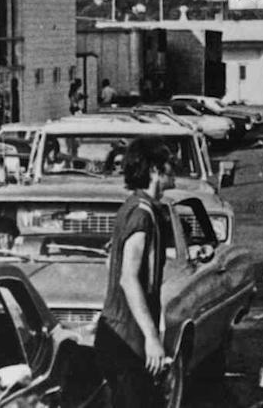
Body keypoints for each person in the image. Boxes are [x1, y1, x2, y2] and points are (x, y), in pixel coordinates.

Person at [95, 136, 174, 407]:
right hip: (126, 338)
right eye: (168, 164)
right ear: (154, 170)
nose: (172, 170)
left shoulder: (133, 206)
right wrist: (152, 339)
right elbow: (128, 279)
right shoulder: (142, 215)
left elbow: (111, 261)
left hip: (116, 332)